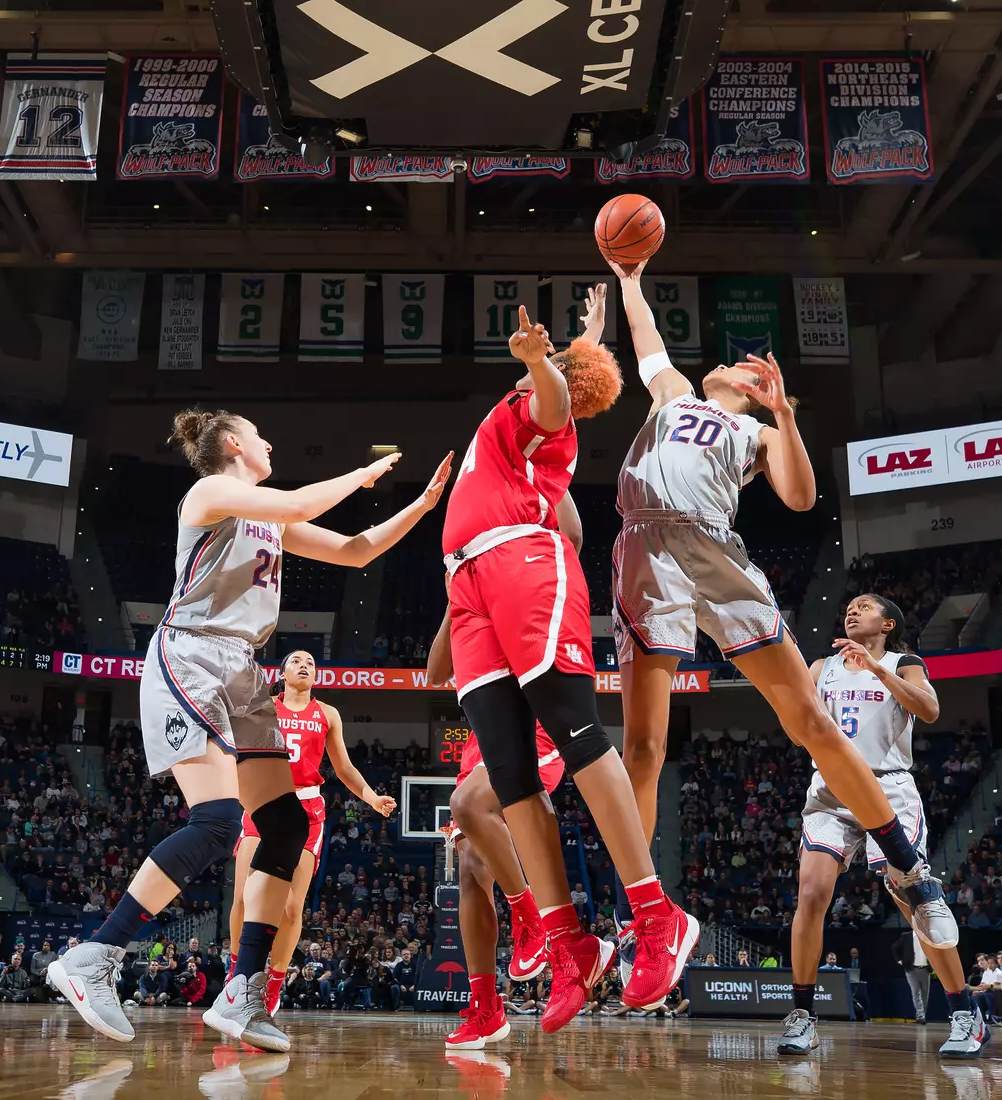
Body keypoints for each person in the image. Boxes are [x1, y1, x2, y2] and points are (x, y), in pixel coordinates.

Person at [50, 407, 451, 1052]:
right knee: (217, 821)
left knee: (286, 824)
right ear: (235, 445)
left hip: (242, 670)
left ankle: (241, 992)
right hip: (194, 655)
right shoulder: (210, 493)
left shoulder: (267, 518)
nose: (271, 443)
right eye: (261, 436)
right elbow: (294, 501)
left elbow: (356, 550)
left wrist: (421, 507)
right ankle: (95, 955)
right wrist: (368, 472)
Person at [608, 260, 957, 960]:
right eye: (732, 361)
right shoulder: (672, 393)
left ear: (754, 389)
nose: (734, 364)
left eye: (746, 366)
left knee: (810, 722)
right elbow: (644, 332)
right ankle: (642, 917)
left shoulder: (758, 435)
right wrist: (628, 276)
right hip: (645, 549)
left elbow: (799, 497)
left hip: (716, 549)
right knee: (642, 748)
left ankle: (911, 870)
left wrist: (785, 414)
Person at [441, 297, 695, 1034]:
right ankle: (568, 942)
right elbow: (577, 378)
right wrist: (586, 336)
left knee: (578, 734)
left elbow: (559, 399)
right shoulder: (520, 415)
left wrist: (542, 363)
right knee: (510, 773)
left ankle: (656, 914)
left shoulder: (537, 408)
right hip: (468, 584)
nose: (527, 382)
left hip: (522, 560)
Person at [780, 594, 983, 1059]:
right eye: (849, 606)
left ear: (888, 623)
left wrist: (875, 669)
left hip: (888, 786)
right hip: (831, 791)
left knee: (912, 900)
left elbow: (929, 709)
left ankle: (964, 1012)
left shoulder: (903, 661)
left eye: (865, 606)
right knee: (811, 893)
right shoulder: (821, 666)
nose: (852, 611)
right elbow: (796, 731)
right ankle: (803, 1016)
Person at [425, 508, 581, 1049]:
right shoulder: (471, 593)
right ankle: (485, 1008)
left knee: (469, 805)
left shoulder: (529, 571)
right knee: (470, 868)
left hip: (534, 738)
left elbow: (574, 537)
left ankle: (531, 915)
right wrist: (456, 595)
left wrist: (547, 481)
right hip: (484, 743)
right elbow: (435, 672)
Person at [225, 649, 396, 1017]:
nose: (304, 666)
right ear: (283, 673)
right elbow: (239, 753)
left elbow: (344, 768)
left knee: (290, 908)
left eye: (311, 663)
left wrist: (371, 797)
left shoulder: (328, 714)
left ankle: (273, 983)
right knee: (242, 897)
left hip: (306, 811)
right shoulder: (264, 707)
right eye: (297, 661)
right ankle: (237, 975)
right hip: (266, 802)